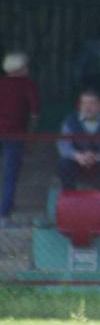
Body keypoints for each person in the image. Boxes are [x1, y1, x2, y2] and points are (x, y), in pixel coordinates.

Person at [0, 51, 39, 227]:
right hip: (15, 134)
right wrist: (31, 134)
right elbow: (34, 112)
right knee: (10, 175)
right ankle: (3, 213)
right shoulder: (27, 85)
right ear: (20, 68)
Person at [57, 88, 100, 195]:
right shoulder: (70, 121)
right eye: (84, 103)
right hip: (78, 158)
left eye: (92, 103)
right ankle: (69, 197)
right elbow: (63, 145)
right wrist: (78, 156)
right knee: (64, 163)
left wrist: (97, 157)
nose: (87, 107)